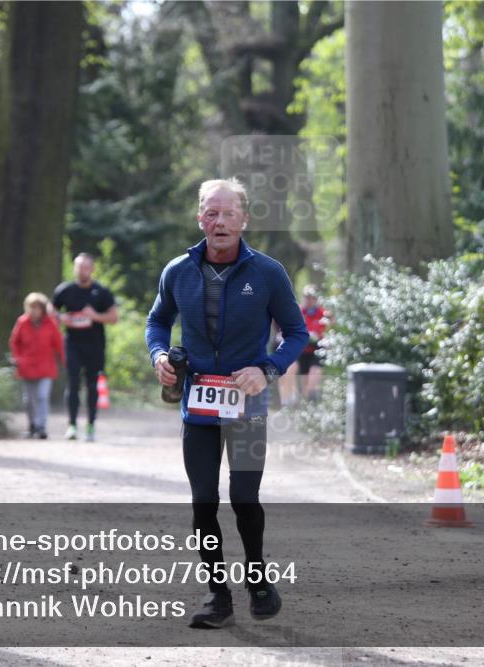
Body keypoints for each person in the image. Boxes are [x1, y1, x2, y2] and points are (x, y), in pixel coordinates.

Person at [146, 177, 308, 629]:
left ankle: (257, 580)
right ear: (200, 218)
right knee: (203, 502)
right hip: (197, 403)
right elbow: (157, 322)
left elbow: (296, 333)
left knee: (244, 498)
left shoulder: (268, 273)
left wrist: (267, 370)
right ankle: (218, 596)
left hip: (247, 403)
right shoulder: (178, 270)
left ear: (244, 219)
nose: (220, 222)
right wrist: (159, 354)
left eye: (228, 213)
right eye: (211, 213)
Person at [51, 253, 118, 441]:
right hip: (72, 343)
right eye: (79, 266)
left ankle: (90, 426)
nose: (82, 270)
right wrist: (62, 318)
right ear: (74, 268)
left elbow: (114, 317)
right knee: (72, 383)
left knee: (92, 385)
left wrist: (94, 316)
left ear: (92, 269)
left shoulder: (101, 292)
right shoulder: (64, 290)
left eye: (86, 267)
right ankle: (71, 426)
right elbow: (51, 311)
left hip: (95, 345)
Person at [9, 292, 65, 440]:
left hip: (46, 367)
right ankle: (32, 425)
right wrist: (18, 359)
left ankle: (41, 426)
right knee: (28, 399)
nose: (33, 310)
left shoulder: (51, 324)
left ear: (42, 309)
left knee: (42, 396)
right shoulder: (22, 322)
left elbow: (58, 344)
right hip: (26, 367)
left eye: (37, 307)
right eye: (31, 307)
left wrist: (64, 360)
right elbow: (14, 342)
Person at [279, 284, 329, 405]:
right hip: (301, 349)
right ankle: (289, 400)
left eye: (311, 297)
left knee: (313, 377)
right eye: (306, 297)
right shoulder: (298, 312)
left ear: (316, 299)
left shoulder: (324, 313)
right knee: (291, 370)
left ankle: (311, 404)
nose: (308, 300)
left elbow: (327, 331)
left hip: (317, 350)